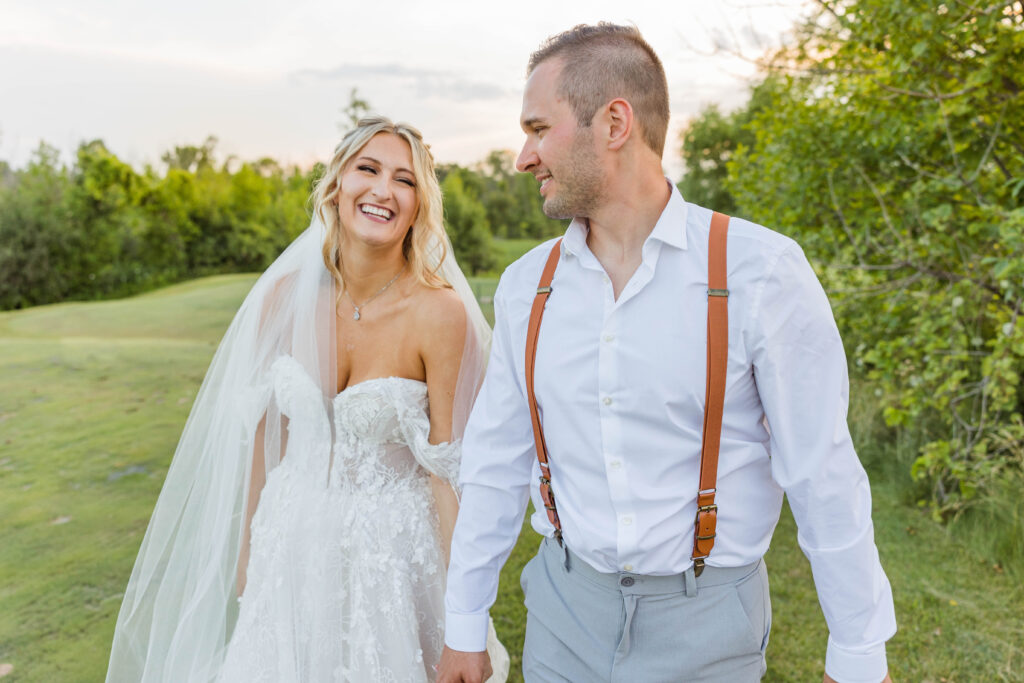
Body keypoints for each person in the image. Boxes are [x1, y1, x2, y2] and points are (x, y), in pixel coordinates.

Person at [438, 23, 896, 683]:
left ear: (615, 122)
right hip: (563, 616)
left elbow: (822, 472)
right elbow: (495, 466)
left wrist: (858, 651)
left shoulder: (760, 271)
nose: (523, 155)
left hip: (711, 625)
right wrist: (464, 623)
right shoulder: (525, 288)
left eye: (539, 128)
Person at [106, 116, 509, 682]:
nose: (382, 190)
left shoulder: (439, 314)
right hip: (288, 547)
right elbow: (261, 440)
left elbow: (449, 473)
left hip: (393, 563)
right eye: (366, 169)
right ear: (335, 185)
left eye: (405, 179)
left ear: (420, 205)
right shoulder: (281, 298)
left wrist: (468, 617)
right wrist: (249, 557)